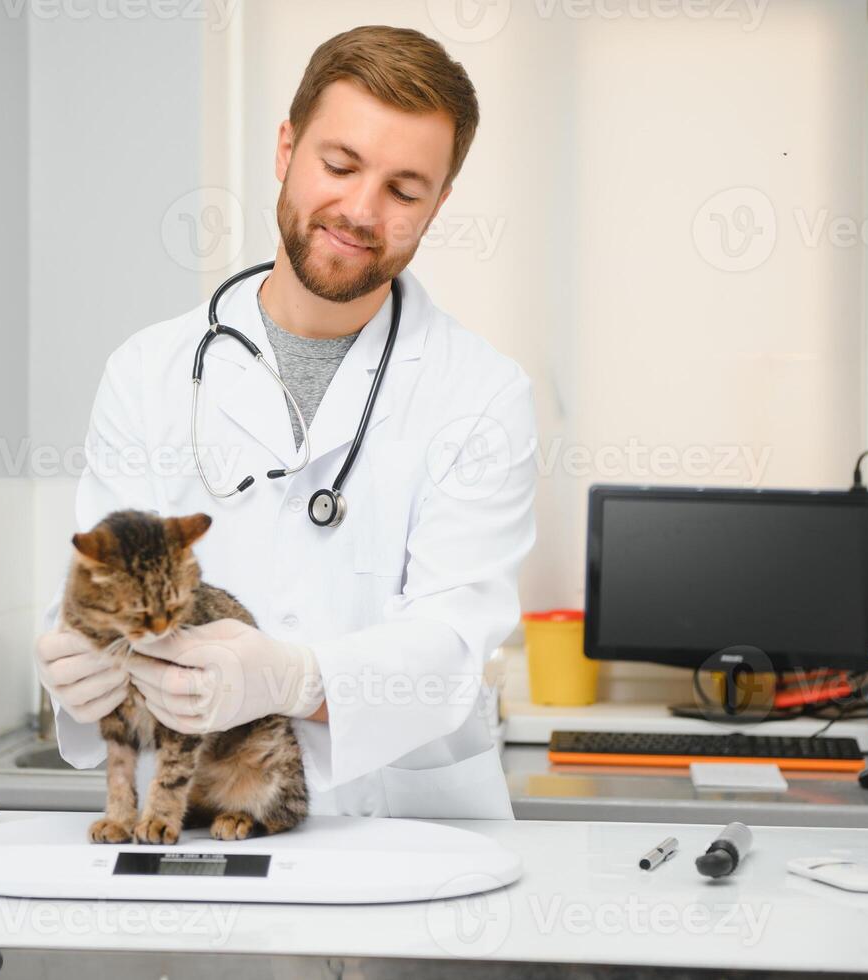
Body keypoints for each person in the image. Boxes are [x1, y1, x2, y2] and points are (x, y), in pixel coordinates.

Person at [35, 24, 538, 819]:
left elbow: (451, 649)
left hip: (407, 839)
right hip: (199, 821)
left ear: (438, 205)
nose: (360, 210)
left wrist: (296, 680)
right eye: (338, 165)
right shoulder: (148, 372)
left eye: (404, 191)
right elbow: (101, 576)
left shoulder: (480, 393)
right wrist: (75, 666)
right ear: (285, 149)